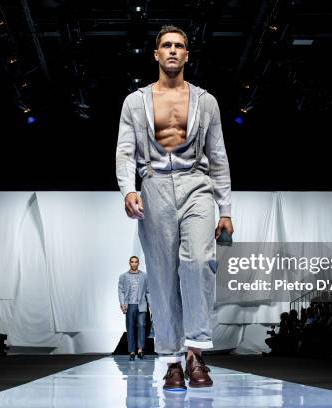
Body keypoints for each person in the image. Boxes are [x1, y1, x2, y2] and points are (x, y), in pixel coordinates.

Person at [116, 24, 233, 390]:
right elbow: (125, 151)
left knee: (199, 262)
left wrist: (225, 208)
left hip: (196, 183)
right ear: (156, 53)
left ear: (187, 55)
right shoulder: (135, 101)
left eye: (178, 46)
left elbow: (218, 156)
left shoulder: (205, 101)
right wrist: (127, 189)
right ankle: (171, 362)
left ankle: (196, 352)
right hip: (153, 187)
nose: (171, 50)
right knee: (163, 276)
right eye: (165, 45)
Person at [118, 256, 150, 361]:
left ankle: (140, 351)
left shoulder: (144, 276)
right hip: (130, 305)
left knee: (142, 326)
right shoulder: (123, 276)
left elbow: (148, 291)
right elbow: (121, 291)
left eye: (136, 262)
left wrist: (151, 305)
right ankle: (132, 352)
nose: (134, 263)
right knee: (130, 327)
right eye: (132, 262)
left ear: (138, 263)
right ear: (129, 263)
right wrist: (122, 303)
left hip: (141, 304)